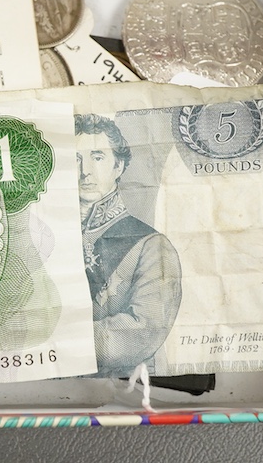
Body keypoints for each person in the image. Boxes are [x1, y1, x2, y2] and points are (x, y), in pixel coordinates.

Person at [75, 113, 183, 377]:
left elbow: (144, 330)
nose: (85, 171)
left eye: (97, 157)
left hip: (119, 386)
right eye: (75, 159)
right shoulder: (46, 237)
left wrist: (58, 341)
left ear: (119, 166)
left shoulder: (152, 246)